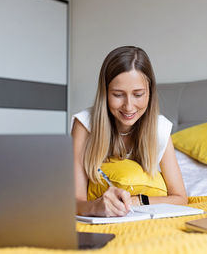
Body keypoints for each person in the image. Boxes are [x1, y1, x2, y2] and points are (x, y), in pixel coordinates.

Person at [71, 46, 187, 217]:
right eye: (118, 94)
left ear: (150, 93)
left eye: (138, 94)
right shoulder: (85, 125)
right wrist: (96, 207)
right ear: (105, 93)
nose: (129, 106)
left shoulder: (159, 128)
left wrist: (134, 200)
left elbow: (180, 198)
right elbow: (74, 201)